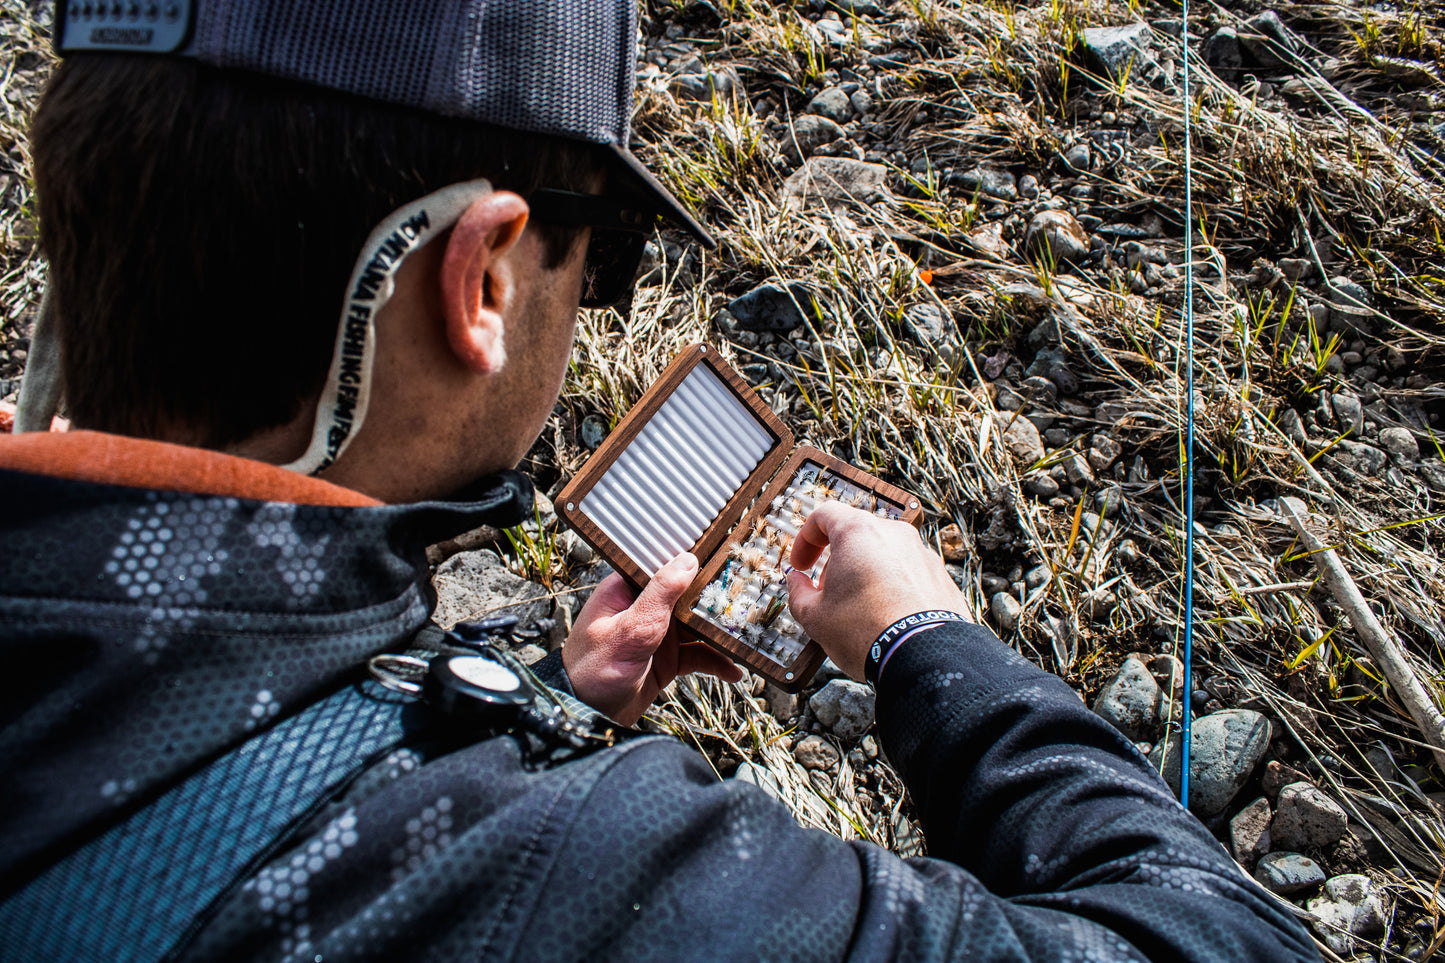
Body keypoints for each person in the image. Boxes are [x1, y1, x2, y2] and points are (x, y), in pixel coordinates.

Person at [0, 2, 1319, 960]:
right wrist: (927, 640)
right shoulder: (564, 878)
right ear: (484, 277)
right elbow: (1216, 943)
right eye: (608, 255)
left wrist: (523, 706)